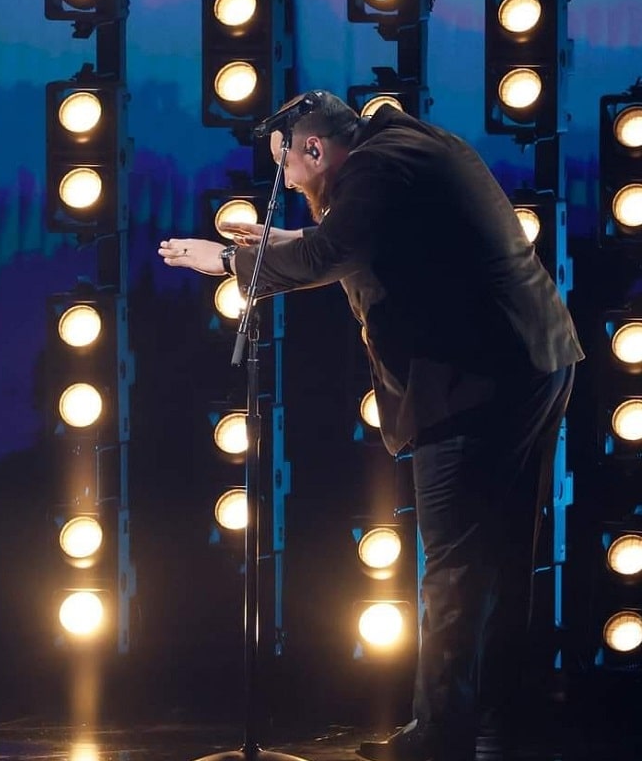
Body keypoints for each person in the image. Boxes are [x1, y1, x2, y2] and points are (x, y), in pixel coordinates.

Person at [158, 91, 583, 761]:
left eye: (288, 170)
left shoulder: (381, 169)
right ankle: (498, 722)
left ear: (316, 149)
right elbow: (348, 241)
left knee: (455, 564)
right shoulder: (400, 152)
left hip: (476, 381)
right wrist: (278, 243)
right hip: (527, 363)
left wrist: (228, 261)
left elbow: (333, 253)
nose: (289, 184)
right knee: (497, 558)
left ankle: (441, 735)